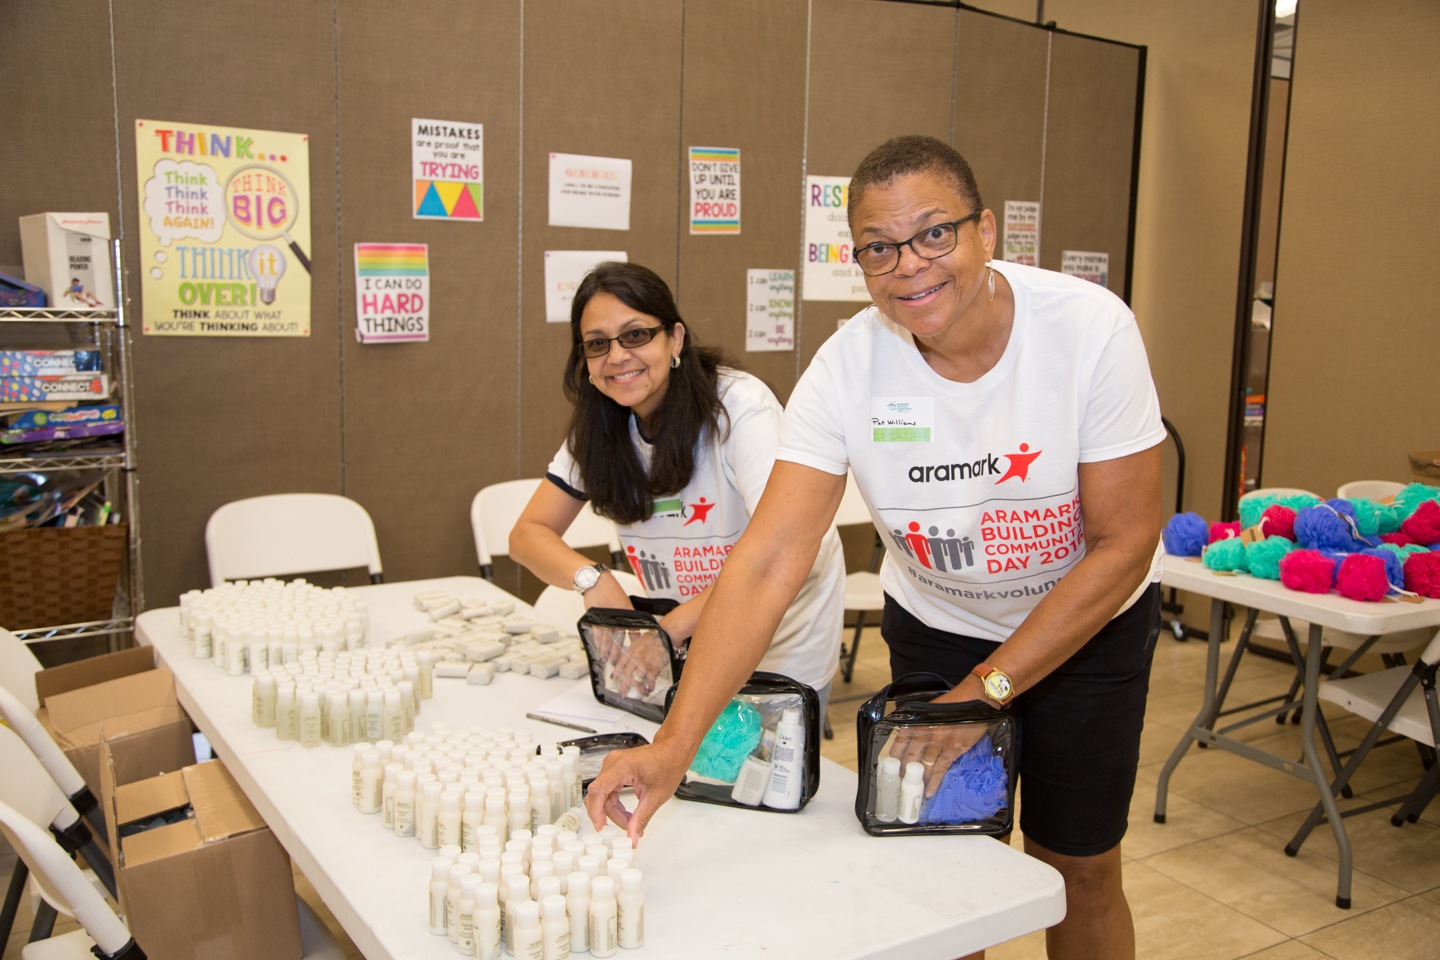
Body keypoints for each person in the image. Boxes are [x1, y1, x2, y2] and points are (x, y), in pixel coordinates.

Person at [585, 137, 1165, 960]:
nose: (911, 266)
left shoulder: (1089, 331)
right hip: (940, 621)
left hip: (1088, 626)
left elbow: (1125, 545)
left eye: (936, 234)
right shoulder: (848, 368)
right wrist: (673, 747)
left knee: (1076, 867)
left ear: (987, 232)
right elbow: (769, 557)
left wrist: (982, 694)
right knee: (945, 861)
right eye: (879, 248)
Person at [508, 261, 846, 710]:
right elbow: (526, 535)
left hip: (777, 647)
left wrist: (663, 633)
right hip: (687, 636)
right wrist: (592, 579)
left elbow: (789, 548)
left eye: (635, 335)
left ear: (676, 340)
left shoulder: (740, 409)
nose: (617, 357)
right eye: (597, 344)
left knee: (754, 778)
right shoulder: (599, 427)